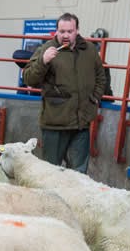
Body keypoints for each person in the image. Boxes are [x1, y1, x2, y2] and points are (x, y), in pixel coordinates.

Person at [22, 13, 106, 174]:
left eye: (69, 31)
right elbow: (28, 78)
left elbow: (101, 76)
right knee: (50, 171)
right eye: (62, 31)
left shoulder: (89, 49)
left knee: (78, 173)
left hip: (81, 122)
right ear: (56, 31)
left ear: (77, 31)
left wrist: (94, 98)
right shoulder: (47, 49)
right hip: (55, 122)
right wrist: (43, 61)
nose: (65, 35)